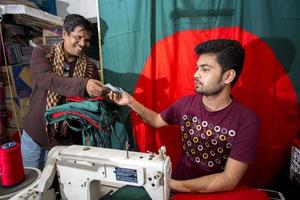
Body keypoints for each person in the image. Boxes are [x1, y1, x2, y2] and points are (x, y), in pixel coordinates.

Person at [108, 39, 259, 193]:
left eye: (205, 69)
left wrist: (170, 184)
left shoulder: (246, 120)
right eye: (197, 68)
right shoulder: (185, 104)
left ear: (228, 76)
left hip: (213, 193)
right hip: (176, 187)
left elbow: (229, 179)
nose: (196, 74)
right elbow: (156, 120)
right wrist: (131, 102)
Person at [21, 14, 104, 169]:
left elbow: (89, 105)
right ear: (65, 34)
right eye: (78, 37)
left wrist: (104, 94)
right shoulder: (43, 53)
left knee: (57, 188)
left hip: (65, 142)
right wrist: (83, 85)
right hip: (35, 134)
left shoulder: (90, 68)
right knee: (32, 185)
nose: (82, 43)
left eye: (86, 40)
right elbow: (47, 79)